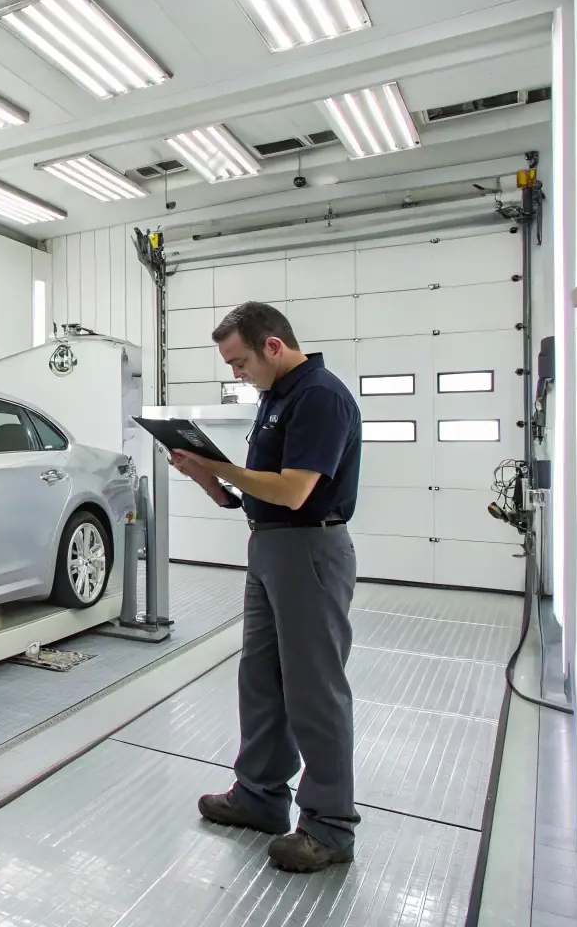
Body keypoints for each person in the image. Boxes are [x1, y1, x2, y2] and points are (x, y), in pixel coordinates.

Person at [169, 301, 362, 873]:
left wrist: (220, 467)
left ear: (273, 346)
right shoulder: (277, 397)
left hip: (309, 549)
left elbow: (294, 491)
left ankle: (329, 826)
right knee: (262, 679)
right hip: (270, 547)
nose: (237, 373)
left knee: (314, 690)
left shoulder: (319, 396)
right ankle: (260, 796)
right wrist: (207, 478)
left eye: (240, 362)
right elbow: (255, 494)